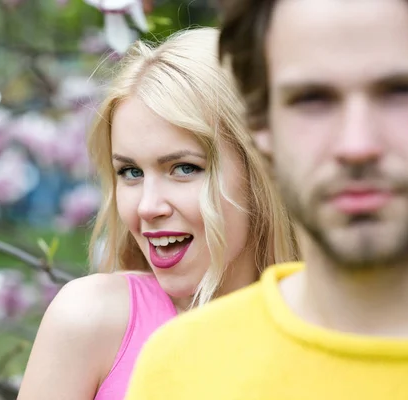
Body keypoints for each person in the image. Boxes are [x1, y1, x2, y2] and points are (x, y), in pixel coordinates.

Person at [125, 1, 408, 399]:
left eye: (400, 92)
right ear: (261, 123)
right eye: (312, 99)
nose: (356, 145)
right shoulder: (180, 370)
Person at [17, 27, 298, 400]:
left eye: (183, 168)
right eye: (131, 172)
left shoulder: (336, 335)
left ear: (261, 172)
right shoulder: (90, 320)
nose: (148, 206)